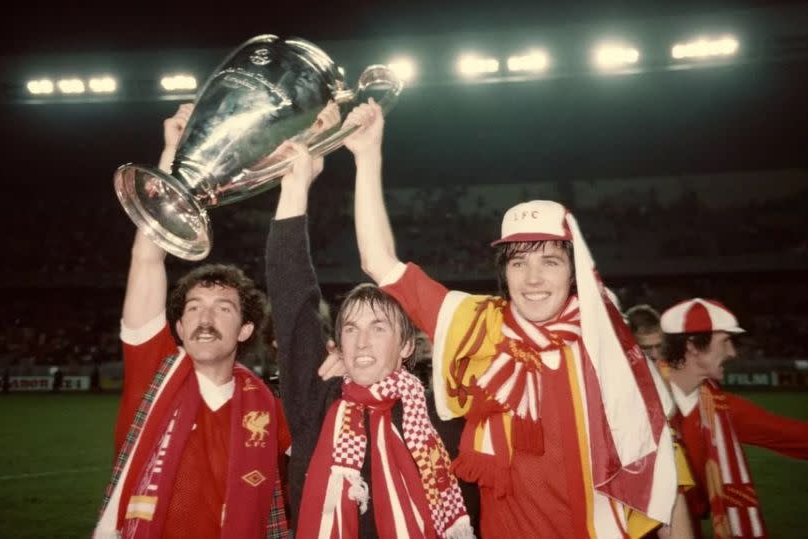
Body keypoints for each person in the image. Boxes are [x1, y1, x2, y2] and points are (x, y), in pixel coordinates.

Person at [338, 99, 677, 538]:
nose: (533, 279)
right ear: (504, 273)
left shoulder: (606, 341)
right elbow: (378, 262)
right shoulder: (477, 324)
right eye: (518, 263)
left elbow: (651, 466)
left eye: (550, 261)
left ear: (574, 271)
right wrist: (368, 156)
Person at [94, 104, 290, 539]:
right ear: (178, 328)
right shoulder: (155, 371)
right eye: (193, 307)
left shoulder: (265, 405)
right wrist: (173, 157)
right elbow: (147, 259)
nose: (204, 317)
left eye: (223, 307)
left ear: (245, 329)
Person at [265, 137, 474, 538]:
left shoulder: (443, 418)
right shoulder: (317, 399)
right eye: (351, 328)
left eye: (379, 328)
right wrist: (294, 187)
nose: (362, 342)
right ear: (338, 342)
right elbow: (291, 298)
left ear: (408, 346)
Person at [661, 298, 808, 539]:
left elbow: (792, 435)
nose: (733, 352)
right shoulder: (638, 398)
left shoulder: (724, 409)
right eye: (725, 341)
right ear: (693, 347)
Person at [626, 304, 696, 539]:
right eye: (646, 348)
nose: (655, 354)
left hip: (671, 466)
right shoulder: (617, 379)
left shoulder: (669, 370)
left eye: (659, 346)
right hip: (635, 474)